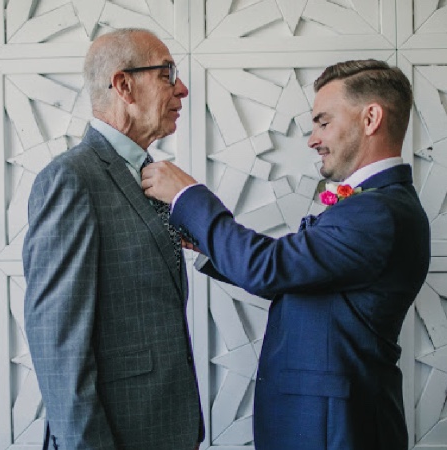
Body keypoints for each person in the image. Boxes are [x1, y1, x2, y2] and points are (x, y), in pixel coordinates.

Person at [141, 59, 430, 450]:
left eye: (323, 122)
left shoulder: (377, 212)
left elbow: (269, 268)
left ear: (371, 118)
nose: (312, 139)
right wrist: (209, 244)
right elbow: (293, 276)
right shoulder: (378, 204)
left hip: (333, 430)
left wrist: (186, 196)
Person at [23, 28, 203, 450]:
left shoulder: (153, 175)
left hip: (166, 430)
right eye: (167, 73)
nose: (182, 88)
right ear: (124, 85)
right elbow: (57, 345)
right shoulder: (70, 179)